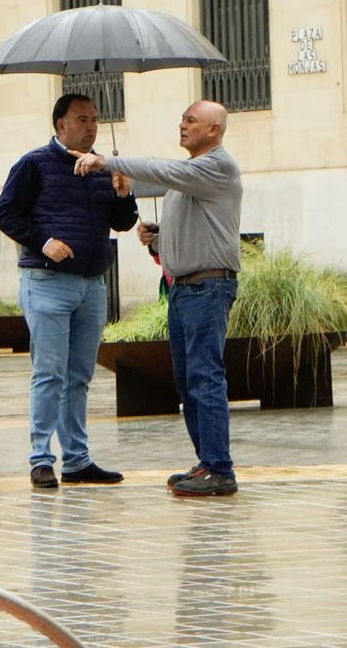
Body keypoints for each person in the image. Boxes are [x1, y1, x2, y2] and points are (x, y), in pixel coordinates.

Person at [72, 100, 243, 497]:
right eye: (182, 118)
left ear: (214, 130)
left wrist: (108, 162)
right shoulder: (189, 180)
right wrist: (158, 239)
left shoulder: (216, 166)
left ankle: (221, 469)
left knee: (206, 378)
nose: (182, 125)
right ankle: (207, 463)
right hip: (184, 288)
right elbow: (189, 235)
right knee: (188, 381)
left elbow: (164, 169)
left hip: (207, 289)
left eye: (191, 120)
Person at [0, 93, 138, 488]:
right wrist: (43, 242)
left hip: (92, 286)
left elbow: (123, 223)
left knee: (79, 376)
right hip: (47, 282)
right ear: (61, 125)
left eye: (94, 119)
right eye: (82, 119)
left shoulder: (102, 168)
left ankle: (77, 460)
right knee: (49, 374)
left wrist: (124, 192)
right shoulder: (34, 164)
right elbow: (5, 213)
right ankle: (41, 459)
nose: (91, 126)